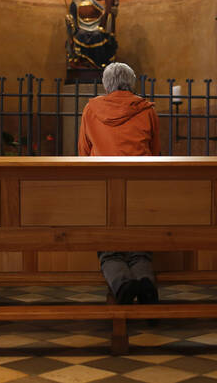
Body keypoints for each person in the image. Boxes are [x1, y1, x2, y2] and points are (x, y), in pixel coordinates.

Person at [78, 62, 160, 304]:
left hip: (104, 185)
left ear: (106, 84)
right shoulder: (146, 109)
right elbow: (155, 152)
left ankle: (122, 285)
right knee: (140, 245)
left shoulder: (91, 109)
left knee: (109, 246)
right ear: (131, 82)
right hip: (140, 185)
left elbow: (83, 151)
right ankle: (146, 284)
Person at [65, 0, 118, 69]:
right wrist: (69, 22)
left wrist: (112, 12)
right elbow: (74, 24)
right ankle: (83, 63)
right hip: (80, 29)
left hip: (95, 27)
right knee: (81, 35)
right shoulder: (74, 4)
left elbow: (104, 12)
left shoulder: (92, 0)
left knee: (98, 35)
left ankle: (99, 64)